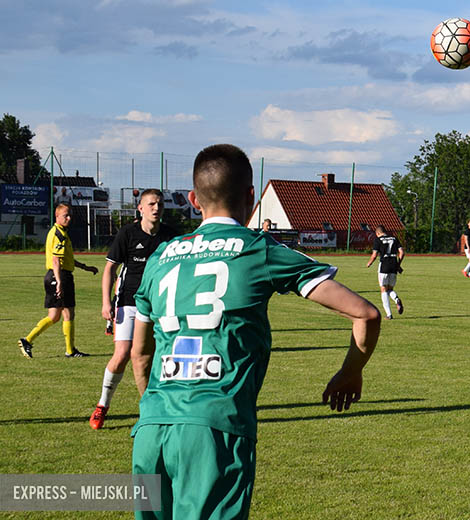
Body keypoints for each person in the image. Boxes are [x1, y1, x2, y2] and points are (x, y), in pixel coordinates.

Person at [130, 144, 381, 519]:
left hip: (151, 429)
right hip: (215, 428)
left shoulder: (160, 257)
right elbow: (365, 314)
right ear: (251, 196)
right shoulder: (259, 249)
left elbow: (140, 354)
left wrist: (158, 408)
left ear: (194, 199)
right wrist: (350, 372)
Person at [89, 189, 177, 430]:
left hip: (159, 304)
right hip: (128, 301)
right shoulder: (128, 233)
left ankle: (154, 409)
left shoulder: (171, 236)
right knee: (123, 354)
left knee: (158, 357)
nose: (156, 208)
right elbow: (109, 270)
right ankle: (102, 406)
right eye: (151, 204)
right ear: (140, 208)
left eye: (159, 204)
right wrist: (106, 302)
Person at [18, 203, 98, 358]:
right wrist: (60, 281)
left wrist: (84, 267)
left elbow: (65, 258)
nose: (68, 218)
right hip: (59, 276)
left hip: (55, 275)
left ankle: (27, 340)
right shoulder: (59, 234)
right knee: (68, 313)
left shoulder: (59, 232)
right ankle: (70, 350)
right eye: (65, 215)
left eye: (70, 215)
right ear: (57, 216)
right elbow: (56, 260)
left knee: (54, 316)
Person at [366, 225, 404, 320]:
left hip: (384, 266)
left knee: (383, 290)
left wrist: (369, 263)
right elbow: (402, 252)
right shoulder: (394, 238)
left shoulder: (378, 240)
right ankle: (396, 299)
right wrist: (398, 264)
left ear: (377, 233)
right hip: (393, 265)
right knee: (390, 289)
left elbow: (374, 255)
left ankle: (389, 314)